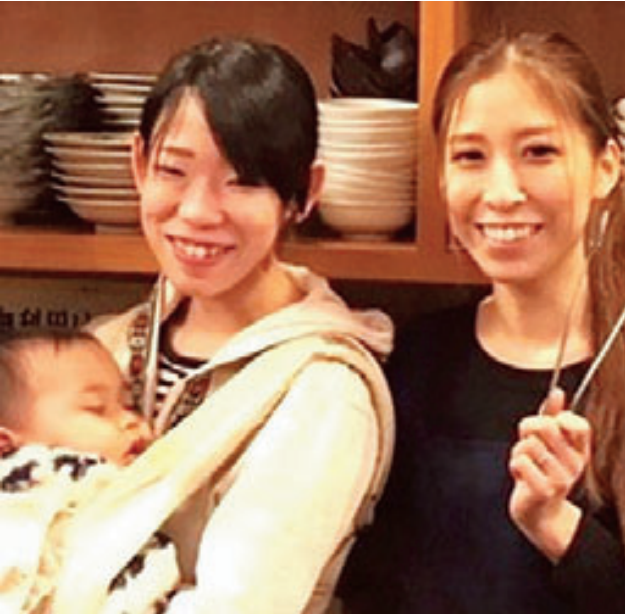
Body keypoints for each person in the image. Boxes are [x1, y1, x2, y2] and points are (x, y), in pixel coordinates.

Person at [340, 31, 625, 614]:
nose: (502, 192)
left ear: (606, 166)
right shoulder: (415, 361)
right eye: (470, 157)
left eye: (538, 152)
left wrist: (562, 531)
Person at [53, 37, 394, 614]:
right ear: (138, 165)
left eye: (243, 181)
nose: (197, 211)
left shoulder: (324, 391)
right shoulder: (103, 348)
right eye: (173, 170)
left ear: (305, 194)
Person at [0, 328, 180, 613]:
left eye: (129, 405)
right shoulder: (30, 494)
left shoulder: (130, 487)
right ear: (5, 443)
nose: (130, 420)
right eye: (96, 409)